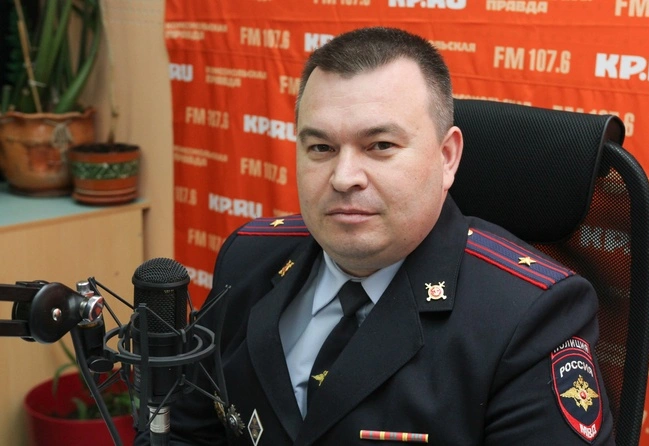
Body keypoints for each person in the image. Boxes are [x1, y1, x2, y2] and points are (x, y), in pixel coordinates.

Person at [136, 27, 613, 445]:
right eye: (321, 147)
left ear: (447, 157)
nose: (344, 177)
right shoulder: (249, 258)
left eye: (380, 146)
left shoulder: (529, 317)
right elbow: (186, 432)